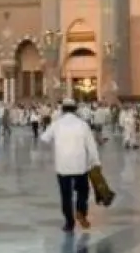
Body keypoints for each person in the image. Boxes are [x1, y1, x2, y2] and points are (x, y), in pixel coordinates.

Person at [40, 98, 101, 233]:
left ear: (62, 109)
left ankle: (69, 222)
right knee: (83, 191)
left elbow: (44, 138)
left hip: (63, 166)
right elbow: (91, 146)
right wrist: (96, 161)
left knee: (66, 195)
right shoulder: (82, 125)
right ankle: (81, 211)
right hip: (80, 165)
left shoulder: (57, 124)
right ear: (75, 110)